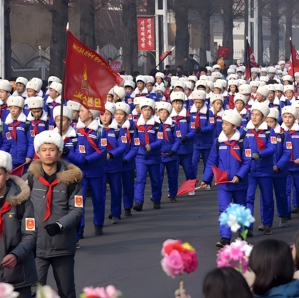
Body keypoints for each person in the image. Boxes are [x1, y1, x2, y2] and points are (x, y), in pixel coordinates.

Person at [24, 130, 83, 298]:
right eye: (44, 149)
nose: (48, 153)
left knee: (66, 291)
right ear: (38, 153)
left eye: (52, 149)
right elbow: (16, 204)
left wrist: (60, 225)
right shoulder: (29, 179)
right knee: (36, 292)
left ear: (59, 152)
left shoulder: (72, 180)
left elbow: (77, 210)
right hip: (36, 247)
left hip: (62, 245)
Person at [201, 110, 251, 247]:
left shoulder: (243, 142)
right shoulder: (218, 142)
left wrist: (239, 176)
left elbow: (247, 161)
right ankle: (225, 237)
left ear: (234, 126)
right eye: (223, 123)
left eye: (227, 124)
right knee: (224, 209)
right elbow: (211, 161)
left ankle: (243, 233)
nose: (223, 126)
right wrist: (206, 179)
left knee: (240, 209)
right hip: (223, 183)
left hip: (239, 183)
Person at [63, 105, 107, 237]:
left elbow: (102, 150)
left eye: (82, 111)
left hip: (96, 171)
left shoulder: (100, 131)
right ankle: (79, 228)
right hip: (80, 171)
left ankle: (98, 224)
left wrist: (87, 159)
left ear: (90, 114)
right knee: (79, 201)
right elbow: (73, 148)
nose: (79, 113)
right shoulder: (75, 130)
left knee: (98, 199)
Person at [0, 150, 37, 298]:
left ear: (7, 175)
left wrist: (16, 255)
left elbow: (30, 234)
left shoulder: (22, 200)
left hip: (18, 274)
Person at [245, 102, 276, 236]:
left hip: (265, 170)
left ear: (263, 117)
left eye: (257, 115)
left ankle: (267, 223)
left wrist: (260, 154)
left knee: (267, 199)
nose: (254, 117)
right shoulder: (245, 131)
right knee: (248, 198)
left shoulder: (269, 131)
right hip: (250, 171)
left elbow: (272, 148)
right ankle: (247, 227)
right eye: (253, 114)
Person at [133, 97, 163, 211]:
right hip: (141, 156)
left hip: (154, 157)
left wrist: (151, 147)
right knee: (140, 179)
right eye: (144, 109)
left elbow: (160, 141)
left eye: (149, 109)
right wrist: (139, 148)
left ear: (152, 111)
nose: (146, 112)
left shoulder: (156, 125)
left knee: (155, 180)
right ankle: (138, 202)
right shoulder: (136, 125)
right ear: (141, 110)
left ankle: (156, 199)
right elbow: (134, 138)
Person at [157, 102, 181, 202]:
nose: (163, 114)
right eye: (161, 112)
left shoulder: (173, 125)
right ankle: (156, 195)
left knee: (172, 176)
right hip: (159, 155)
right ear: (157, 113)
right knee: (158, 177)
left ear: (168, 113)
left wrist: (173, 150)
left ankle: (173, 194)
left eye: (165, 112)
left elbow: (178, 138)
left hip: (171, 155)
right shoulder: (154, 126)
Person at [1, 96, 28, 170]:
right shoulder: (7, 124)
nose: (13, 110)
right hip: (11, 158)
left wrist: (29, 156)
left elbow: (30, 142)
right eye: (10, 108)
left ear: (21, 109)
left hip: (24, 159)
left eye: (15, 108)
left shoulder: (26, 123)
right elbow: (6, 142)